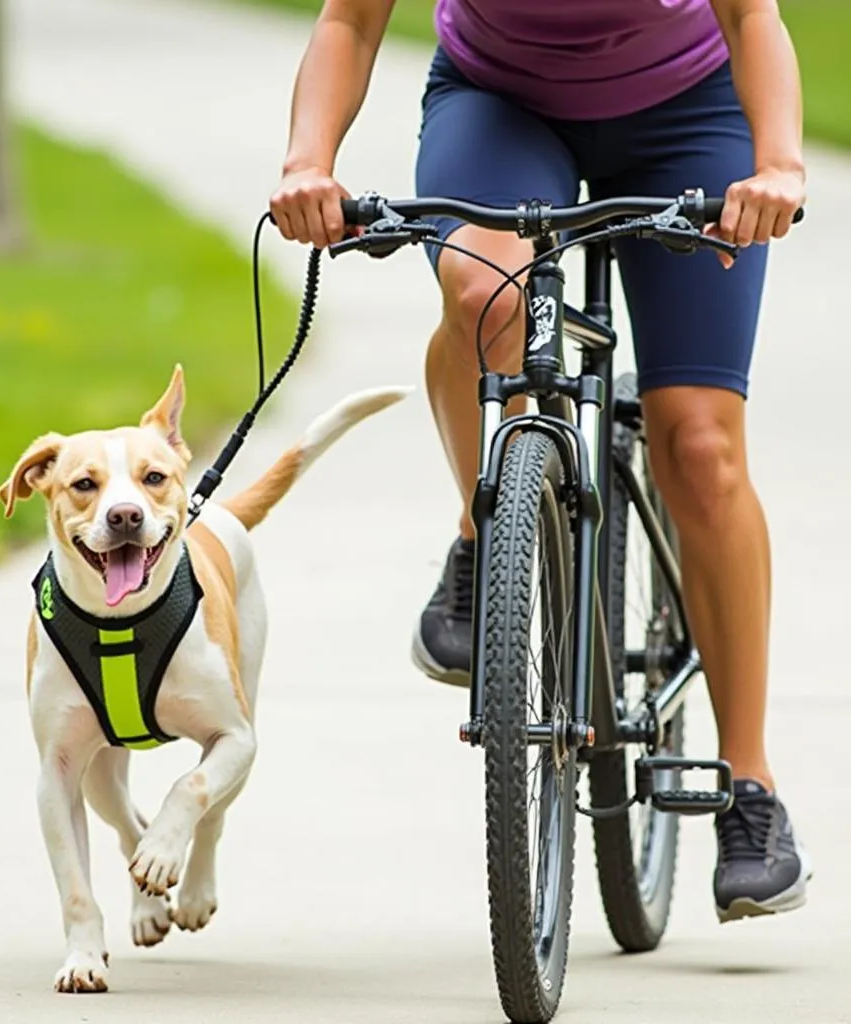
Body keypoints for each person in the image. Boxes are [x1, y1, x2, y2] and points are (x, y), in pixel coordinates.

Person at [269, 0, 810, 923]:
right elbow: (350, 22)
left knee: (701, 444)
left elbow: (751, 14)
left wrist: (779, 165)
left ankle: (749, 787)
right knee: (481, 290)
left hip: (689, 110)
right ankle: (487, 535)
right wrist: (306, 163)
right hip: (501, 106)